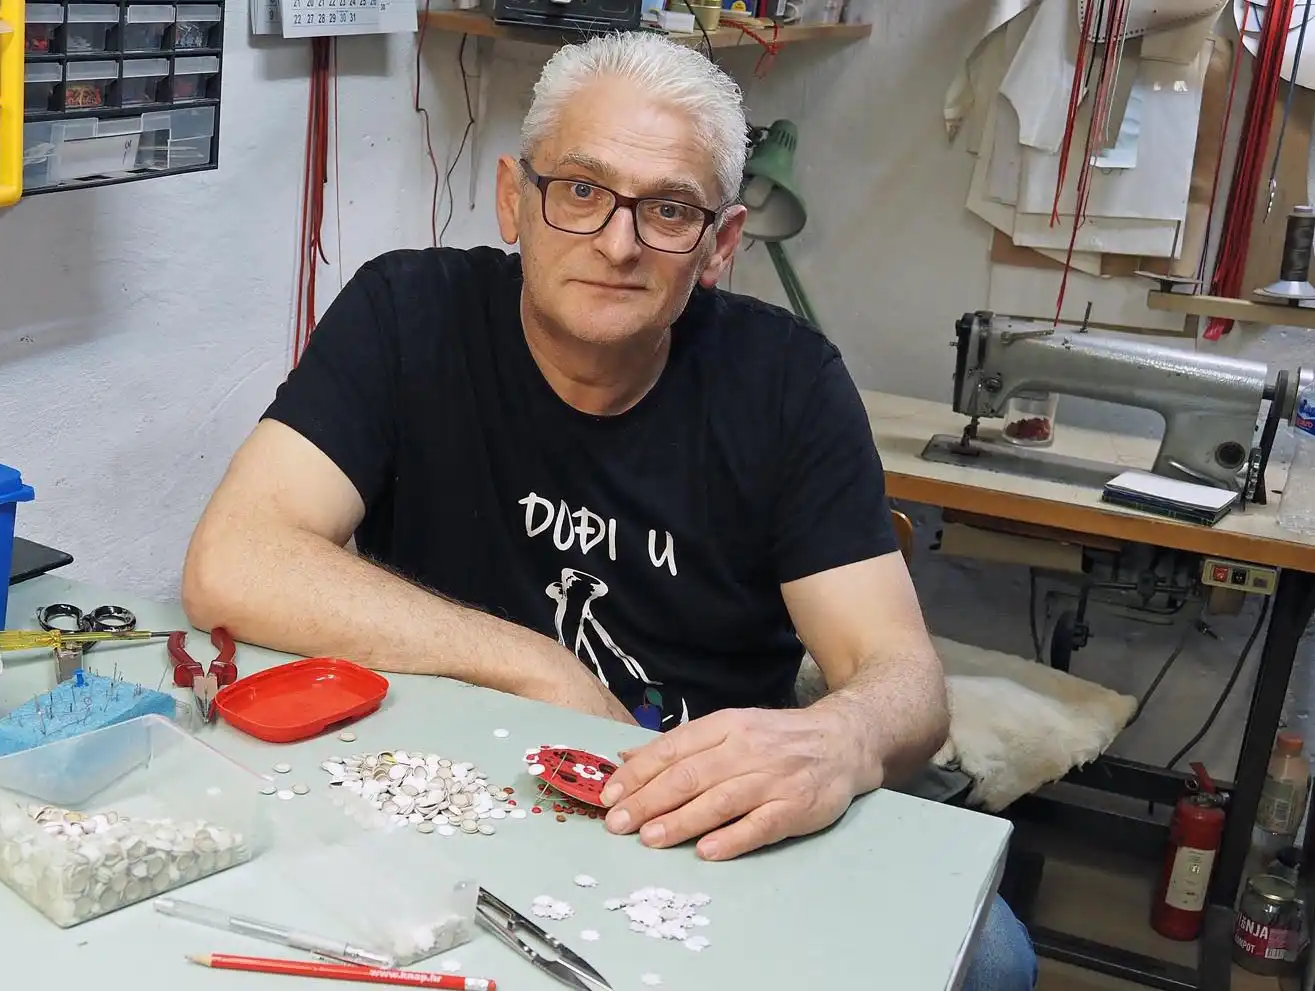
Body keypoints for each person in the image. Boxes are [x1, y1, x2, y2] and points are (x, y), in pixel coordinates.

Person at [183, 31, 1036, 991]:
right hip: (444, 787)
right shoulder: (406, 312)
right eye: (581, 190)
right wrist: (538, 665)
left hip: (690, 819)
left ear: (719, 244)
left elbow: (904, 681)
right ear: (515, 199)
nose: (617, 243)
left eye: (668, 209)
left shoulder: (787, 384)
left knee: (991, 958)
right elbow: (234, 559)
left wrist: (842, 736)